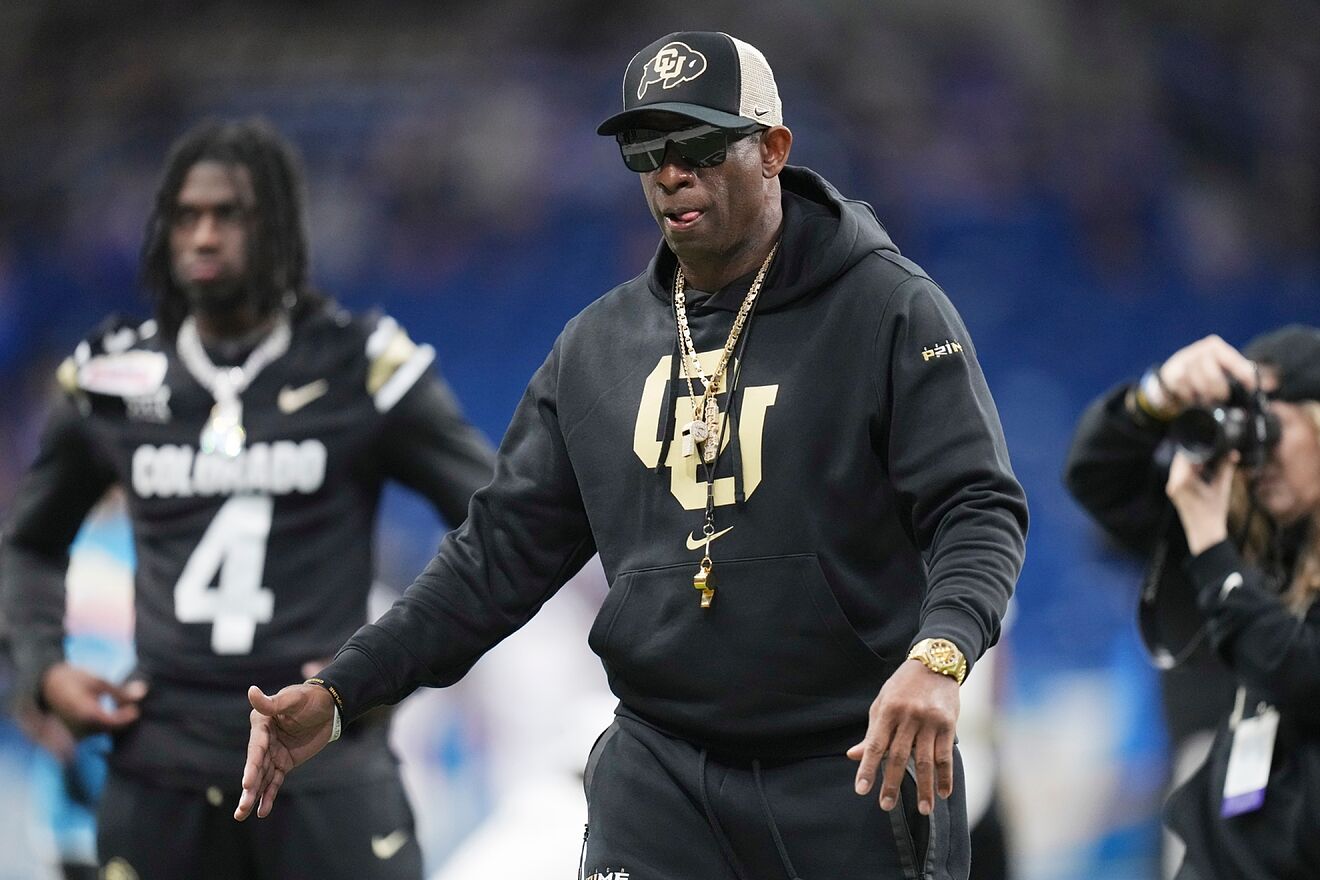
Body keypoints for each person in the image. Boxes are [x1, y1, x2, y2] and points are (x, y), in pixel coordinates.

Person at [238, 32, 1028, 879]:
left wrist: (939, 658)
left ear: (772, 149)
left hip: (848, 768)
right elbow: (494, 558)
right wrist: (343, 690)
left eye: (694, 145)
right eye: (645, 151)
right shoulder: (598, 347)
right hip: (661, 776)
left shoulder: (890, 310)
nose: (668, 173)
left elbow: (976, 506)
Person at [0, 117, 496, 880]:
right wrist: (41, 667)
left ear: (281, 231)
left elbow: (499, 522)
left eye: (228, 215)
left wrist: (385, 666)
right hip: (160, 766)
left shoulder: (361, 365)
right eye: (185, 216)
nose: (202, 237)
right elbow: (29, 542)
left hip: (325, 766)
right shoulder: (114, 378)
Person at [1065, 327, 1320, 878]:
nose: (1257, 454)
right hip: (1223, 825)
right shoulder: (1237, 521)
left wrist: (1211, 548)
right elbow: (1094, 474)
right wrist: (1157, 397)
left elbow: (1300, 673)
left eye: (1270, 425)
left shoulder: (1216, 535)